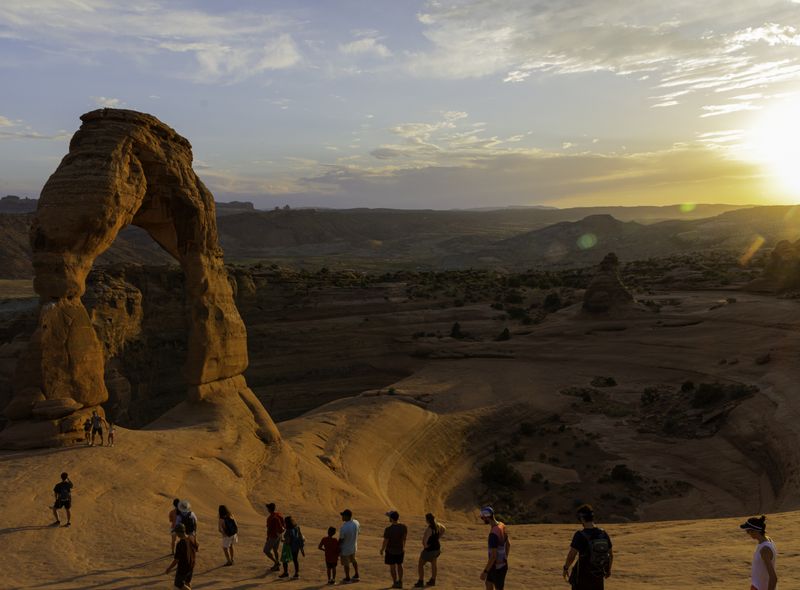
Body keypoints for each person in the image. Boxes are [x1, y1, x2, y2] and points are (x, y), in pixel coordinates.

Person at [562, 504, 613, 590]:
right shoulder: (603, 534)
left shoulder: (580, 535)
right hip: (598, 576)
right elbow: (610, 555)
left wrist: (566, 567)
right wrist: (608, 570)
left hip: (582, 577)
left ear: (582, 519)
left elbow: (572, 555)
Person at [741, 515, 777, 590]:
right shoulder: (768, 540)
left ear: (755, 531)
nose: (747, 533)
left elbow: (773, 578)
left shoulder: (764, 550)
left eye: (748, 531)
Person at [479, 506, 509, 590]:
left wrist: (485, 572)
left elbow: (493, 556)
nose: (482, 519)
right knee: (488, 583)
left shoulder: (493, 534)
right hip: (500, 565)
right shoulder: (501, 525)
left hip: (497, 567)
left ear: (487, 517)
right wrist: (504, 558)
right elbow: (508, 544)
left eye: (483, 518)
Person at [414, 512, 446, 587]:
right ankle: (433, 580)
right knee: (434, 564)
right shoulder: (438, 525)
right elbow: (444, 528)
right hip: (437, 548)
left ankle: (421, 581)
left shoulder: (429, 529)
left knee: (420, 564)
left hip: (430, 549)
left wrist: (426, 547)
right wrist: (438, 537)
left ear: (427, 520)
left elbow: (424, 541)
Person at [165, 522, 199, 590]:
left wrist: (169, 568)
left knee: (178, 584)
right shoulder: (192, 537)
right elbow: (197, 547)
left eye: (177, 532)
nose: (176, 534)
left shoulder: (180, 544)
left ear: (179, 532)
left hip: (183, 567)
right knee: (187, 582)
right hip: (191, 564)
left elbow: (176, 560)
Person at [381, 510, 408, 588]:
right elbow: (404, 538)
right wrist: (403, 547)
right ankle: (400, 581)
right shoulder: (404, 527)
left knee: (392, 567)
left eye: (389, 517)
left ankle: (395, 582)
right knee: (400, 565)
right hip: (400, 550)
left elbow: (385, 541)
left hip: (390, 551)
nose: (388, 518)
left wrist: (382, 549)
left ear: (391, 519)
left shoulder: (388, 529)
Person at [339, 508, 361, 583]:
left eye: (343, 516)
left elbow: (341, 539)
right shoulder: (356, 522)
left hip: (345, 548)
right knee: (353, 560)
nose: (342, 517)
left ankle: (347, 578)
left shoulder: (344, 527)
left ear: (347, 516)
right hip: (353, 546)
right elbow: (359, 532)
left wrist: (338, 547)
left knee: (346, 563)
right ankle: (357, 575)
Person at [264, 502, 285, 571]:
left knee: (266, 550)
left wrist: (268, 537)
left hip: (273, 536)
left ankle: (276, 562)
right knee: (275, 550)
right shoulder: (279, 514)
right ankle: (277, 566)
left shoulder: (270, 518)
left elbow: (269, 529)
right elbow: (283, 525)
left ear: (269, 509)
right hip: (279, 535)